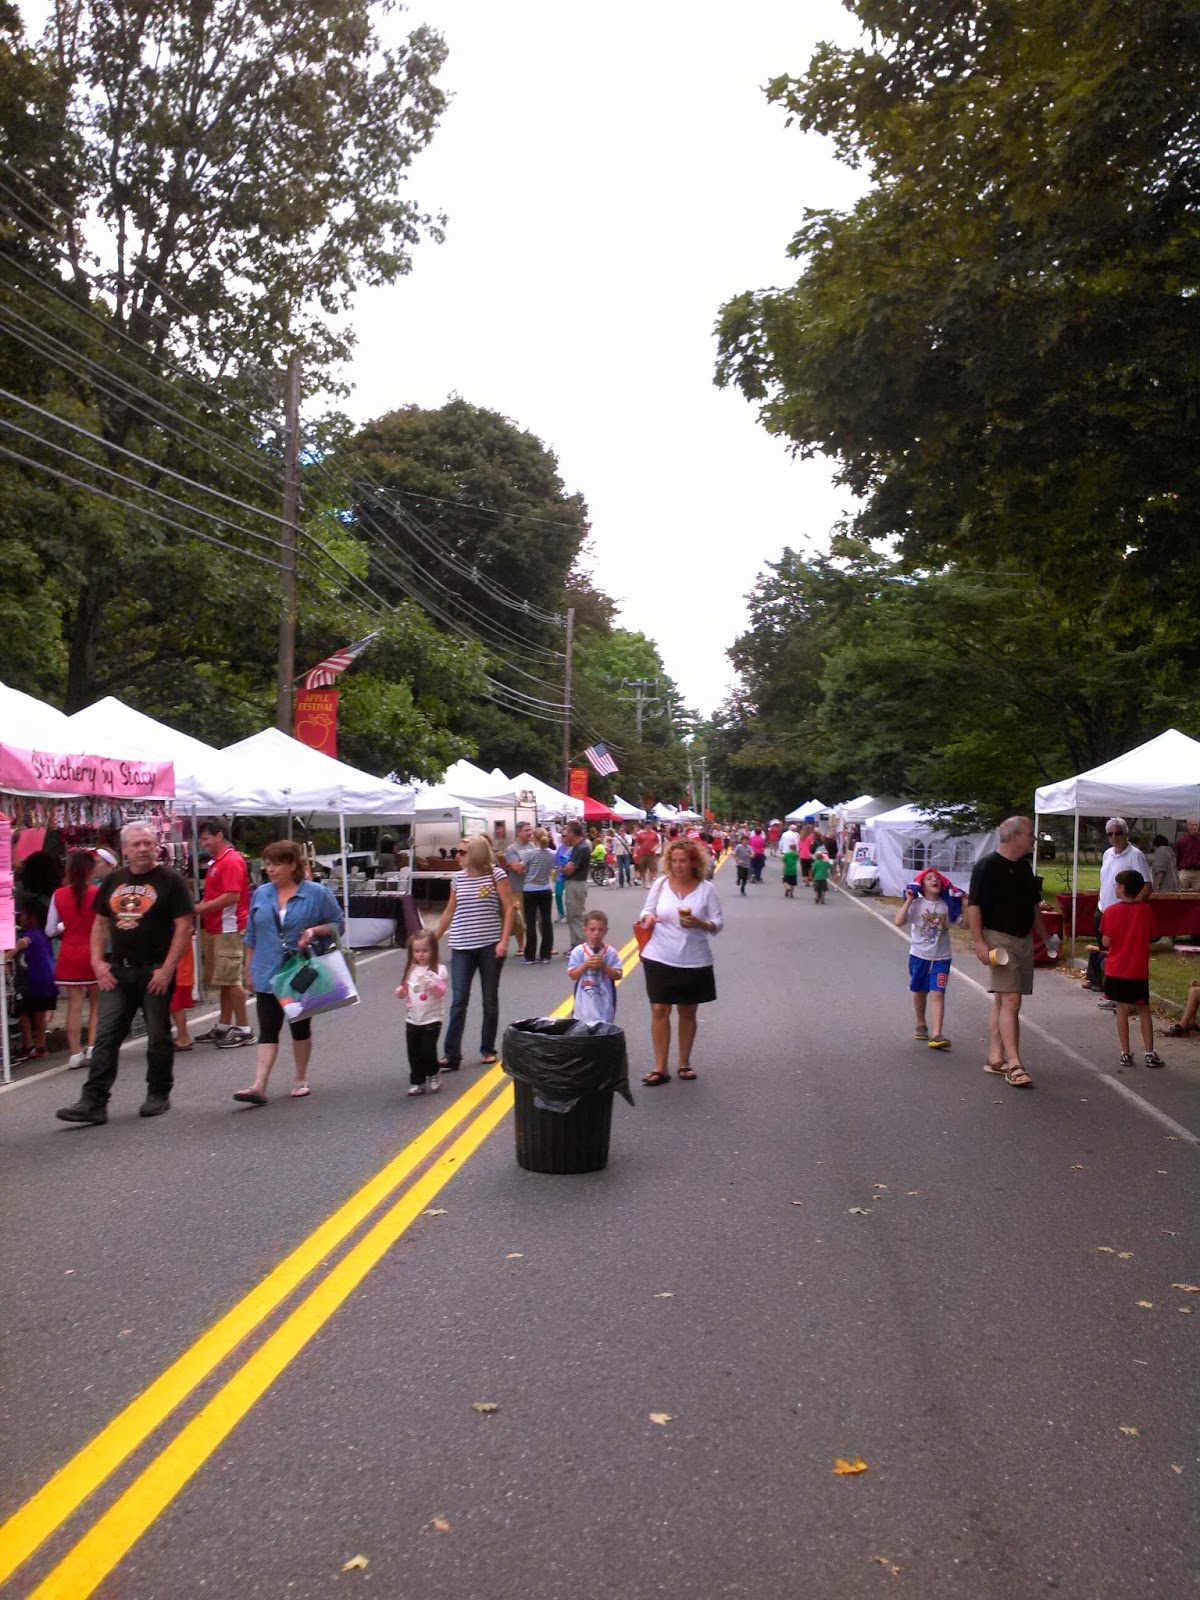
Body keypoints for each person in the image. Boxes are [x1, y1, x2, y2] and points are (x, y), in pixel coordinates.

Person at [56, 822, 193, 1125]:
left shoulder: (171, 880)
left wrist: (167, 969)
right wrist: (97, 962)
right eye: (136, 844)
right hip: (118, 972)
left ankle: (158, 1093)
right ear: (125, 849)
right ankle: (93, 1102)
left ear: (157, 845)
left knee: (157, 1036)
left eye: (148, 843)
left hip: (155, 971)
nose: (143, 849)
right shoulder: (113, 880)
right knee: (105, 1037)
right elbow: (101, 923)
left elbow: (184, 926)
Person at [233, 840, 344, 1106]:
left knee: (299, 1026)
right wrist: (247, 970)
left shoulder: (316, 893)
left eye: (277, 864)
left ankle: (300, 1078)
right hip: (266, 969)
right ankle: (259, 1085)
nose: (270, 869)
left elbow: (337, 923)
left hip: (299, 969)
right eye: (268, 864)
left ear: (293, 864)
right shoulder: (261, 893)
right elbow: (251, 935)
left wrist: (313, 931)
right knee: (268, 1027)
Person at [966, 816, 1049, 1090]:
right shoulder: (986, 867)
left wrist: (1046, 938)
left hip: (1022, 939)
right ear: (1014, 836)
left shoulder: (1024, 868)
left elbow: (1034, 906)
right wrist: (979, 942)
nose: (1034, 839)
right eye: (1030, 833)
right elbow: (974, 907)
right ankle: (1015, 1064)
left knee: (1004, 1000)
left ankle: (995, 1057)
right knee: (1011, 999)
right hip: (997, 938)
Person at [638, 836, 724, 1085]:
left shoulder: (706, 889)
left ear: (694, 862)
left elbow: (717, 924)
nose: (677, 866)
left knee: (687, 1011)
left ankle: (684, 1063)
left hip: (694, 959)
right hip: (659, 954)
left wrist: (700, 923)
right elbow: (646, 910)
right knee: (659, 1009)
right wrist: (648, 919)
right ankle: (660, 1067)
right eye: (673, 861)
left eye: (683, 861)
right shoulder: (661, 884)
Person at [435, 834, 514, 1071]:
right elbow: (449, 912)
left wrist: (503, 942)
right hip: (461, 946)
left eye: (461, 852)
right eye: (457, 852)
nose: (457, 856)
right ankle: (452, 1054)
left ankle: (487, 1048)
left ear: (476, 854)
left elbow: (509, 908)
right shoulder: (457, 879)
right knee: (459, 1001)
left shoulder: (495, 875)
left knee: (490, 999)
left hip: (489, 945)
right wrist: (433, 939)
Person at [193, 819, 254, 1050]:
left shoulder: (230, 860)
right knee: (224, 981)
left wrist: (200, 908)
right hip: (219, 927)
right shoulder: (218, 861)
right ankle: (224, 1025)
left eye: (206, 838)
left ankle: (245, 1029)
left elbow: (232, 896)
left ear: (219, 836)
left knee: (230, 980)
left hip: (230, 927)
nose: (204, 844)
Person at [1100, 869, 1165, 1069]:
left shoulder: (1111, 912)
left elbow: (1106, 941)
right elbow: (1153, 934)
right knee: (1144, 1008)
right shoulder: (1145, 911)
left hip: (1117, 969)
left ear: (1122, 888)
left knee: (1122, 1009)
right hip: (1137, 969)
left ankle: (1125, 1052)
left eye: (1117, 885)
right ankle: (1149, 1052)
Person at [894, 868, 963, 1049]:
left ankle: (937, 1034)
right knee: (919, 991)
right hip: (919, 956)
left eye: (937, 878)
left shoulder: (947, 905)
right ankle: (921, 1023)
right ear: (922, 885)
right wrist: (908, 900)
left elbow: (965, 925)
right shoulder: (917, 904)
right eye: (929, 878)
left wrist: (966, 903)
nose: (934, 880)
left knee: (938, 992)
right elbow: (899, 921)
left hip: (942, 958)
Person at [47, 848, 102, 1067]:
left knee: (74, 1004)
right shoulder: (97, 893)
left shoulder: (58, 895)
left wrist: (65, 925)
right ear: (90, 870)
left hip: (68, 952)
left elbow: (50, 930)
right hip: (92, 951)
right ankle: (92, 1047)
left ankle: (74, 1054)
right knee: (97, 1003)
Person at [396, 929, 448, 1095]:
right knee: (413, 1051)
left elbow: (441, 992)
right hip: (413, 1018)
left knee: (427, 1049)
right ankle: (417, 1081)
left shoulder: (439, 970)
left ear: (433, 951)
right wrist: (400, 992)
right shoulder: (411, 970)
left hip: (432, 1017)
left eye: (425, 951)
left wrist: (432, 984)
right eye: (417, 951)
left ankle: (433, 1072)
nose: (421, 955)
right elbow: (406, 989)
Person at [14, 903, 57, 1062]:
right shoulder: (45, 935)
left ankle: (28, 1045)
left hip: (30, 980)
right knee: (40, 1012)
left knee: (24, 1013)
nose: (20, 918)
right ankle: (40, 1045)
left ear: (32, 918)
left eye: (24, 915)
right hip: (48, 979)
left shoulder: (26, 937)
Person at [568, 910, 624, 1023]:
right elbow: (573, 975)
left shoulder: (610, 953)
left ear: (606, 931)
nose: (596, 933)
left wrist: (604, 966)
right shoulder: (579, 951)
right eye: (592, 929)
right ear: (585, 931)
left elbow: (618, 975)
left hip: (604, 1005)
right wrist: (586, 964)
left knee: (602, 1034)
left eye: (600, 929)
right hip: (583, 1006)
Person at [521, 826, 556, 963]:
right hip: (545, 888)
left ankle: (530, 955)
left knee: (530, 923)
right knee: (546, 921)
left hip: (530, 889)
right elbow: (554, 866)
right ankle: (545, 954)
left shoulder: (530, 853)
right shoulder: (552, 854)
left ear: (534, 838)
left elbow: (522, 867)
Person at [503, 821, 534, 957]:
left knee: (532, 918)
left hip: (533, 887)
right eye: (526, 830)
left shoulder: (533, 846)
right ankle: (521, 947)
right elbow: (516, 868)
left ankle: (532, 945)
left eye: (530, 830)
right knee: (520, 919)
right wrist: (529, 866)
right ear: (518, 833)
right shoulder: (512, 849)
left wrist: (525, 866)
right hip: (518, 888)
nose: (529, 832)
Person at [560, 820, 591, 946]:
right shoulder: (580, 847)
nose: (565, 834)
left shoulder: (580, 848)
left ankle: (582, 945)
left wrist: (561, 869)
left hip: (576, 884)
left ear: (572, 833)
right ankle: (575, 945)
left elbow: (570, 869)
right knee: (572, 917)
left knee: (576, 917)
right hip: (576, 883)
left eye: (567, 831)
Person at [1175, 818, 1200, 892]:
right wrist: (1179, 867)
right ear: (1188, 826)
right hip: (1185, 871)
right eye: (1192, 825)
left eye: (1196, 825)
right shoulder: (1182, 841)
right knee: (1181, 893)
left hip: (1198, 873)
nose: (1194, 827)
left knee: (1197, 896)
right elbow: (1178, 856)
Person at [553, 829, 572, 921]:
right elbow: (556, 862)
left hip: (570, 875)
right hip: (560, 874)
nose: (563, 837)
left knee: (569, 896)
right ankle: (561, 913)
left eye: (565, 835)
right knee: (558, 894)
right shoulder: (560, 848)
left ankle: (569, 914)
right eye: (562, 836)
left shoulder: (574, 848)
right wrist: (556, 869)